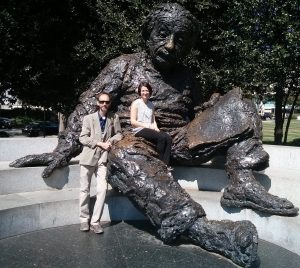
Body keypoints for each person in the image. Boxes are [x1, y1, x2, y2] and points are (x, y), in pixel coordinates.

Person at [10, 3, 298, 267]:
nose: (171, 45)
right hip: (135, 140)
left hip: (179, 139)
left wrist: (211, 109)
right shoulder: (123, 65)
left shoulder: (186, 76)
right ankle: (201, 230)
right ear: (148, 34)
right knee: (118, 150)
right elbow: (88, 104)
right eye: (163, 34)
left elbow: (196, 113)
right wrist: (62, 151)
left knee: (240, 105)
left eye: (181, 40)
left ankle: (242, 183)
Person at [78, 92, 122, 234]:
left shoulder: (113, 117)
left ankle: (95, 221)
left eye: (107, 102)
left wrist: (111, 141)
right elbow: (83, 138)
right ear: (97, 103)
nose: (104, 104)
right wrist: (99, 143)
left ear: (109, 103)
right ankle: (84, 220)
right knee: (85, 190)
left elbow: (120, 133)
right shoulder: (88, 118)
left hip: (103, 159)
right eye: (102, 102)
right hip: (88, 158)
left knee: (102, 190)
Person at [130, 81, 172, 166]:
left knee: (168, 138)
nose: (145, 93)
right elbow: (133, 122)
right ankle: (159, 163)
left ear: (149, 92)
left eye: (147, 91)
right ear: (140, 92)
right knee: (161, 137)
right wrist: (147, 126)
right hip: (139, 129)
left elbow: (153, 120)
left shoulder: (151, 105)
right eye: (143, 91)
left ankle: (166, 165)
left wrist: (156, 127)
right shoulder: (136, 103)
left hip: (150, 128)